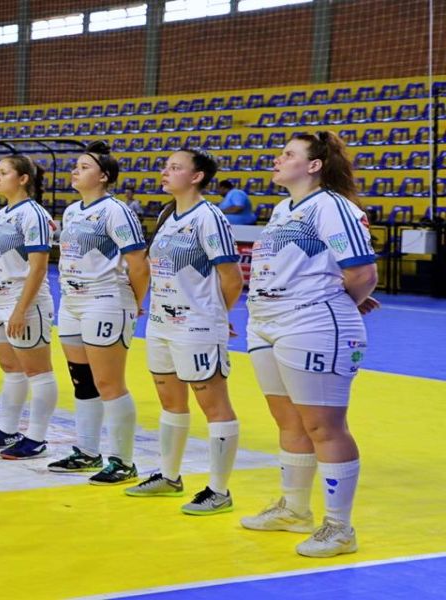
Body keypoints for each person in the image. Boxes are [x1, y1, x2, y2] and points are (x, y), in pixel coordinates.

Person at [240, 131, 378, 558]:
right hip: (265, 323)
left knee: (324, 426)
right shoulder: (284, 208)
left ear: (314, 165)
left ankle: (339, 528)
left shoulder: (333, 207)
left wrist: (330, 306)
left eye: (288, 154)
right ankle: (294, 509)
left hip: (310, 323)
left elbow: (363, 273)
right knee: (290, 423)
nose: (277, 159)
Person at [124, 149, 244, 515]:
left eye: (175, 167)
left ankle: (219, 490)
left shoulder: (210, 218)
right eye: (166, 165)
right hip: (161, 324)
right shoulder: (166, 214)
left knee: (213, 405)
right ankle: (170, 476)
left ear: (196, 177)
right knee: (170, 402)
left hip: (195, 326)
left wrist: (214, 317)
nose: (165, 171)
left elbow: (232, 277)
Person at [50, 141, 150, 485]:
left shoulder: (116, 211)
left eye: (85, 166)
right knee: (83, 381)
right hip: (72, 302)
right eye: (76, 165)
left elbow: (139, 264)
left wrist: (135, 303)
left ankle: (123, 461)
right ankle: (87, 452)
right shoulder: (73, 211)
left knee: (109, 383)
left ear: (104, 176)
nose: (76, 171)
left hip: (105, 299)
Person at [0, 156, 59, 455]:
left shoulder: (34, 215)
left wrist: (20, 309)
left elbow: (39, 268)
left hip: (24, 303)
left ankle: (37, 438)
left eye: (3, 173)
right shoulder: (0, 215)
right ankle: (7, 431)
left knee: (38, 372)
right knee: (11, 369)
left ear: (22, 179)